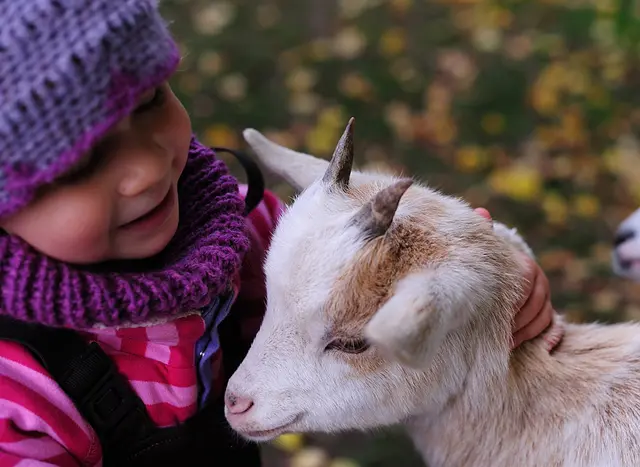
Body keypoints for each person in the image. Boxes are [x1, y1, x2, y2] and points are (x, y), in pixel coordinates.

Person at [0, 1, 560, 466]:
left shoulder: (241, 227)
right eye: (76, 165)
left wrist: (495, 271)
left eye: (150, 100)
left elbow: (372, 268)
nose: (146, 167)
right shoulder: (17, 391)